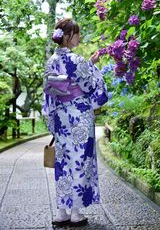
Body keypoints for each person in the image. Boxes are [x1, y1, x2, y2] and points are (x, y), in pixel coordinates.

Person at [42, 18, 108, 227]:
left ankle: (62, 212)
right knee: (81, 161)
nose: (79, 37)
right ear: (69, 37)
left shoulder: (51, 60)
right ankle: (76, 213)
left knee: (63, 162)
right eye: (77, 34)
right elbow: (88, 86)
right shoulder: (76, 60)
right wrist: (92, 66)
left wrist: (52, 118)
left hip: (62, 116)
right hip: (79, 116)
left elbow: (50, 92)